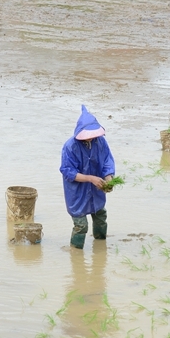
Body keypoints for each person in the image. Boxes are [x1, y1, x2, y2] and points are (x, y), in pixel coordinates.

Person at [60, 105, 116, 250]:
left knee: (101, 216)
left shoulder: (101, 142)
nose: (91, 138)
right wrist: (91, 178)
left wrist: (109, 178)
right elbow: (68, 171)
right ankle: (76, 252)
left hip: (96, 190)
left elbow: (107, 162)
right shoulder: (70, 147)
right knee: (81, 225)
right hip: (77, 192)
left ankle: (100, 246)